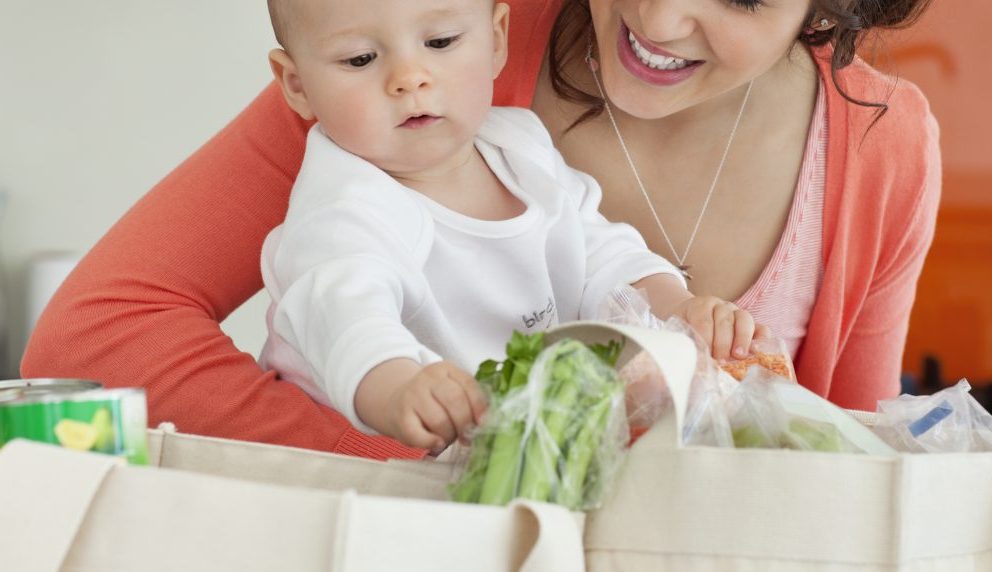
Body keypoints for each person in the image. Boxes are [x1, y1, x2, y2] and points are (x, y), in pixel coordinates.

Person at [22, 0, 941, 460]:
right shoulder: (429, 48)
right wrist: (434, 474)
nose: (658, 20)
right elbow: (103, 334)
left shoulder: (877, 147)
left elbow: (855, 458)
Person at [258, 0, 753, 454]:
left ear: (496, 40)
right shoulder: (342, 209)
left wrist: (679, 307)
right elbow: (347, 322)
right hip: (376, 474)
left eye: (441, 42)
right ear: (297, 85)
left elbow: (600, 250)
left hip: (519, 444)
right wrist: (400, 387)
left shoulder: (519, 147)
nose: (409, 78)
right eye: (360, 59)